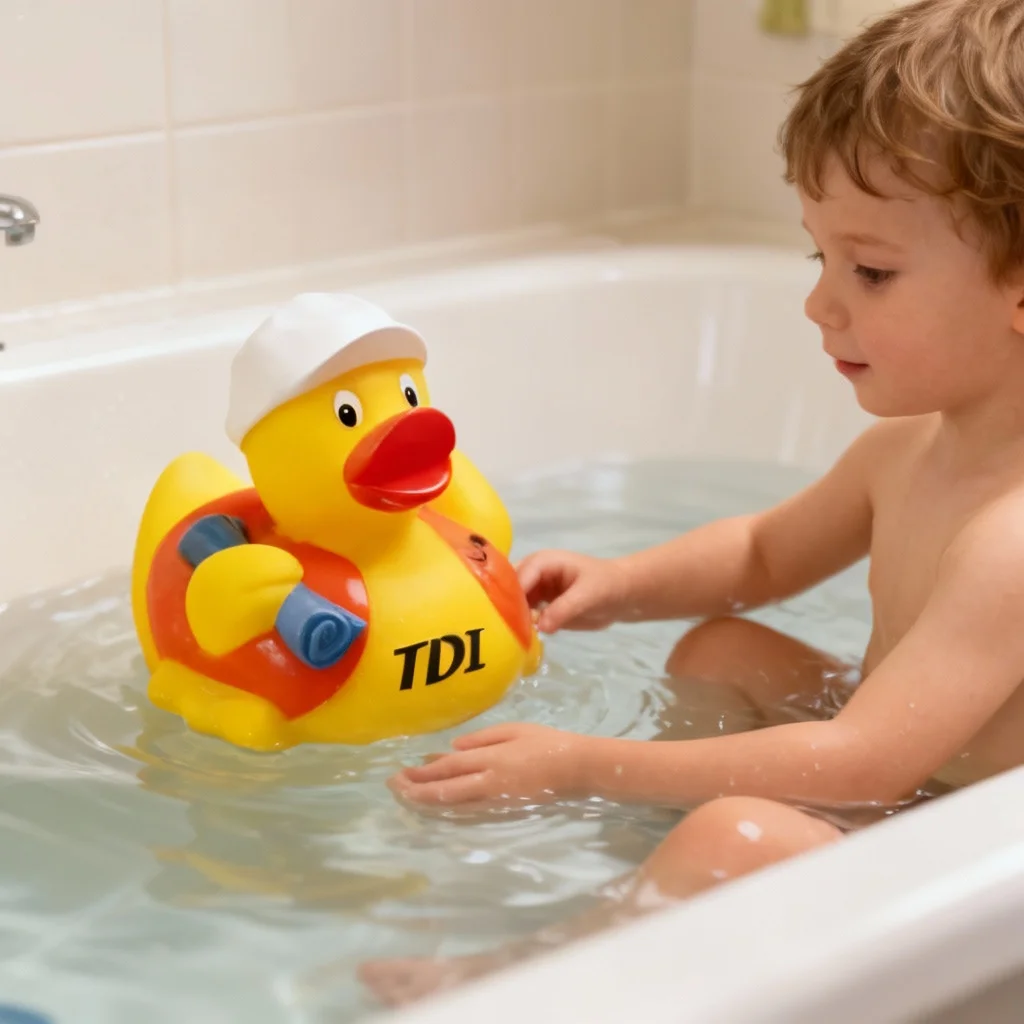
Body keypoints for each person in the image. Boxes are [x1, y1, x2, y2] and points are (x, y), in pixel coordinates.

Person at [360, 0, 1024, 1007]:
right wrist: (619, 582)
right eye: (820, 257)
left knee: (738, 831)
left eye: (871, 271)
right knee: (719, 647)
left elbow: (864, 757)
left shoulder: (1012, 535)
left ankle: (543, 978)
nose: (818, 301)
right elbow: (762, 552)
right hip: (911, 779)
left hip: (967, 848)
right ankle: (665, 876)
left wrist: (583, 762)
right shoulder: (909, 447)